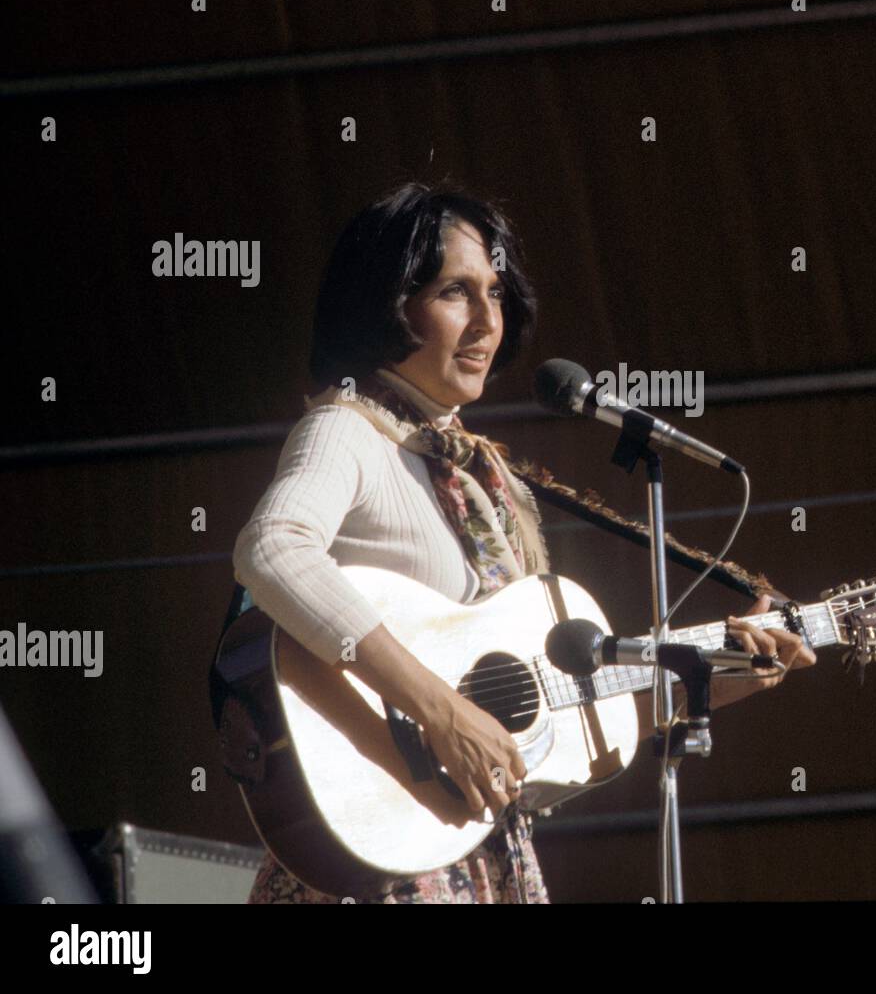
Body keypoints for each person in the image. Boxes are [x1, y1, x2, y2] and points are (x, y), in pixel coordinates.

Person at [232, 180, 815, 904]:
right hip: (380, 866)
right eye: (455, 292)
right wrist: (442, 713)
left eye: (497, 294)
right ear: (386, 303)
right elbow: (273, 550)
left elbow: (546, 710)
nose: (486, 322)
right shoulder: (347, 431)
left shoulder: (481, 472)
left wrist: (712, 672)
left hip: (476, 853)